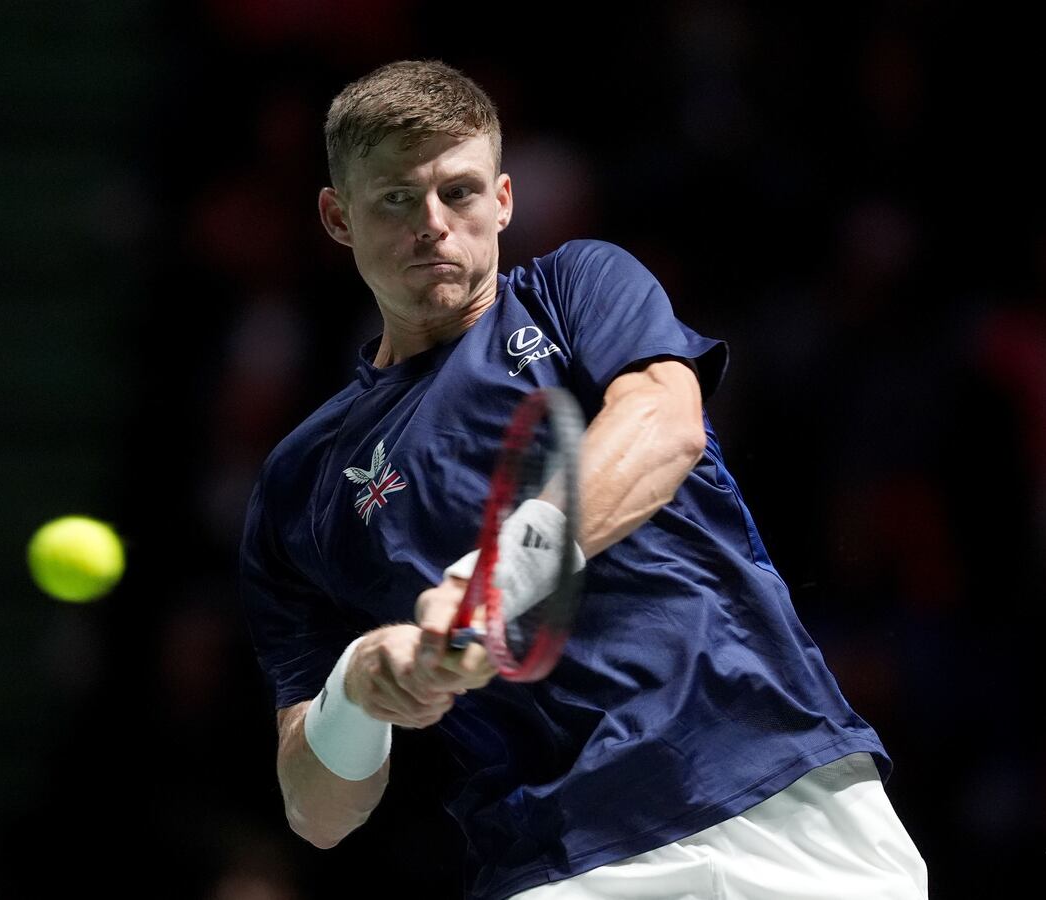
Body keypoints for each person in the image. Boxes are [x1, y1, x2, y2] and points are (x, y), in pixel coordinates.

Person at [239, 59, 927, 900]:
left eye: (457, 193)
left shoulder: (575, 290)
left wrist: (495, 580)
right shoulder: (298, 483)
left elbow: (662, 426)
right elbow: (317, 811)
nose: (432, 224)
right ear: (336, 217)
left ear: (502, 200)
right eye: (394, 199)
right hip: (559, 864)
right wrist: (359, 691)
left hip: (782, 792)